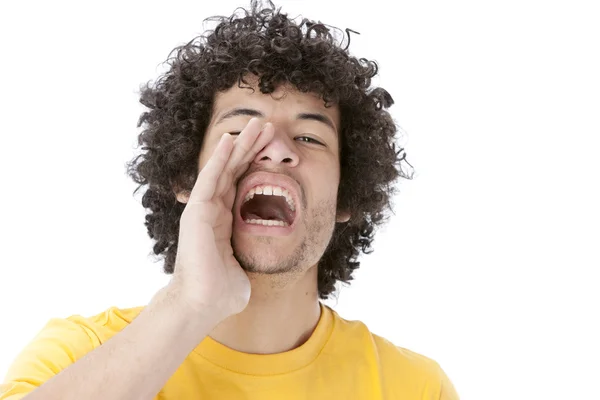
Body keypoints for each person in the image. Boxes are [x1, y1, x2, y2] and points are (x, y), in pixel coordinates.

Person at [0, 1, 459, 399]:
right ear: (185, 178)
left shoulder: (415, 387)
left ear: (346, 196)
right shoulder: (77, 354)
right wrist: (188, 303)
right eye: (239, 131)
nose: (277, 148)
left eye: (309, 136)